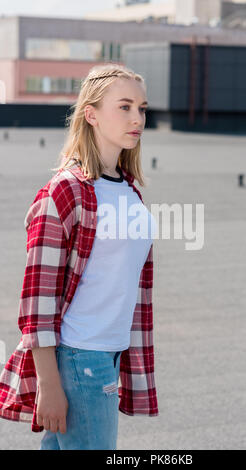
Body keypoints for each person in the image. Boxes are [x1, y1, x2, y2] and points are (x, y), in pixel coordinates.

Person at [0, 63, 159, 450]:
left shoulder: (129, 190)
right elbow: (37, 298)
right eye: (124, 107)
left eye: (141, 108)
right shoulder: (65, 191)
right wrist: (50, 386)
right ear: (91, 114)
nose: (136, 117)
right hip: (80, 359)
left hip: (109, 352)